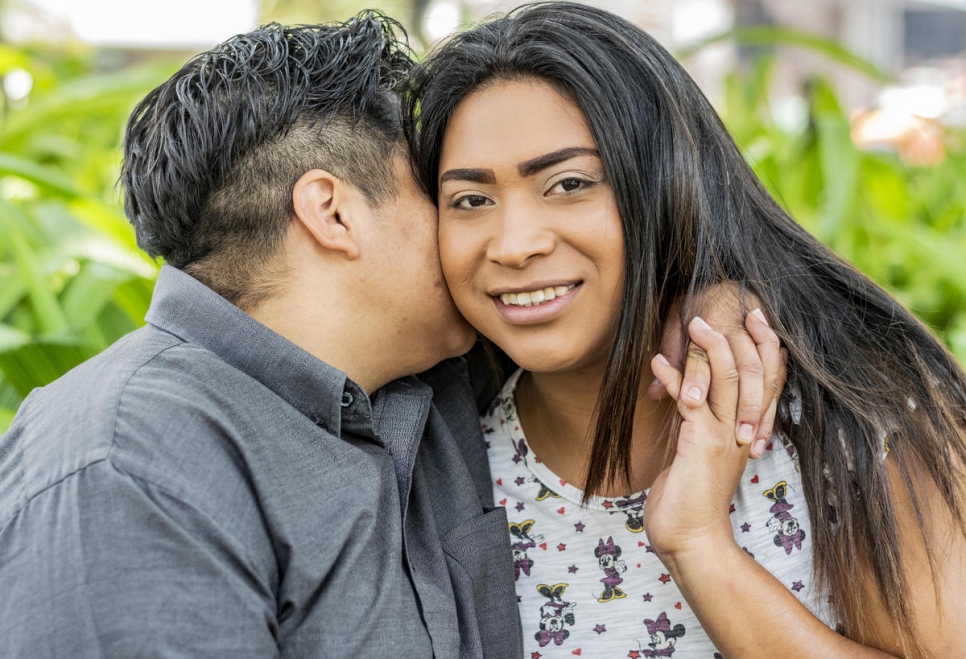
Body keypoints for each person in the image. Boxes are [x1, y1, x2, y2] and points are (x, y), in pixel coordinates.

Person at [405, 2, 966, 657]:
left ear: (666, 187)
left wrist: (699, 543)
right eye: (471, 200)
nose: (515, 243)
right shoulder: (442, 471)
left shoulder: (849, 416)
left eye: (568, 183)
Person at [0, 15, 524, 657]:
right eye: (444, 191)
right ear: (332, 212)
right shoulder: (129, 464)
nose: (479, 232)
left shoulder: (427, 387)